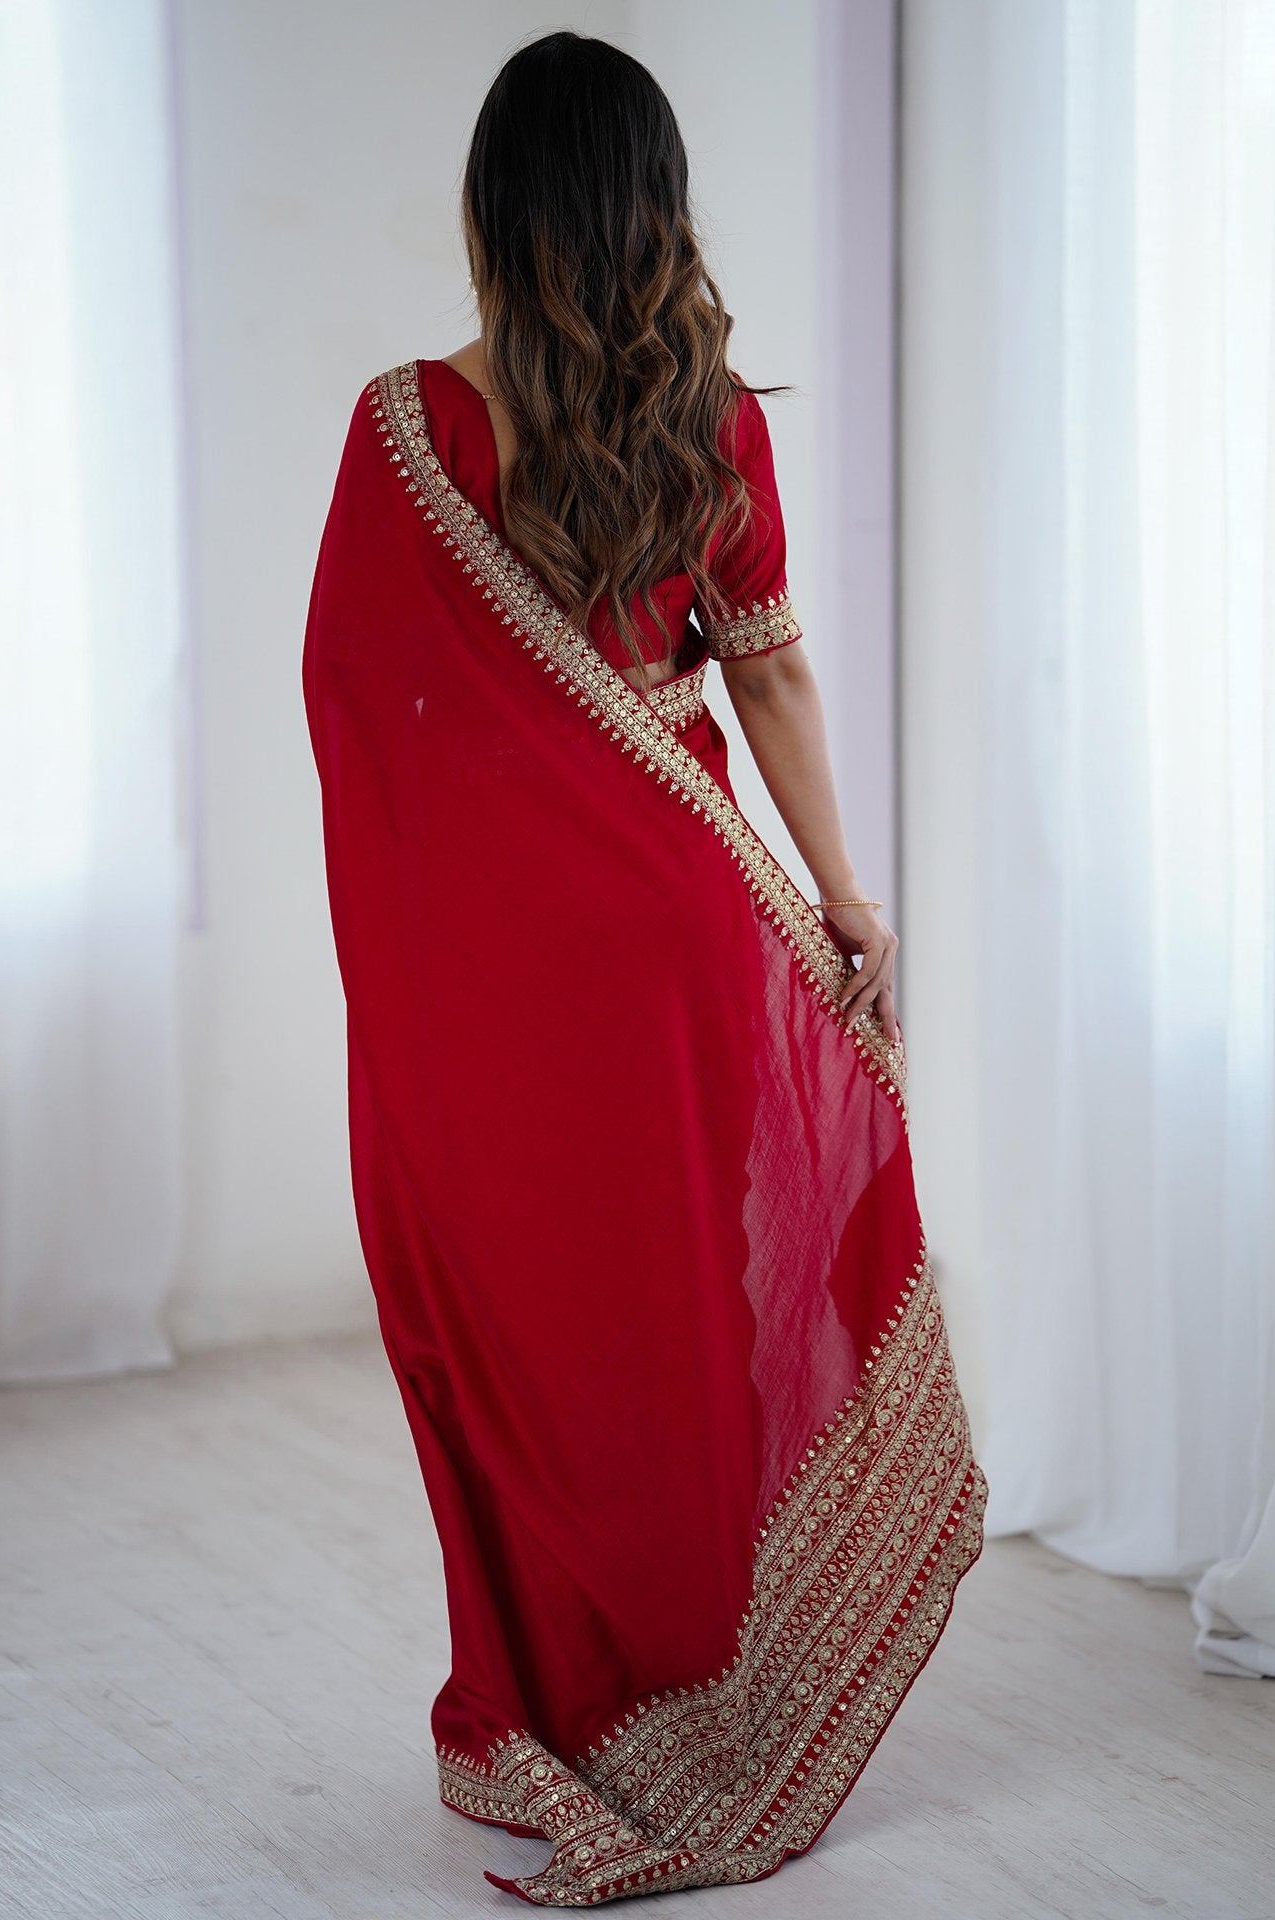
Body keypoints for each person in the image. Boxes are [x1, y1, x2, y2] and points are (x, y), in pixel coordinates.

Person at [303, 28, 987, 1909]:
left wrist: (429, 962)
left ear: (494, 205)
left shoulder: (401, 429)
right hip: (682, 938)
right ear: (657, 206)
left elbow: (364, 710)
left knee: (521, 1331)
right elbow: (762, 671)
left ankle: (563, 1709)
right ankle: (716, 1691)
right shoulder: (717, 420)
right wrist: (843, 895)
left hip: (510, 985)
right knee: (687, 1314)